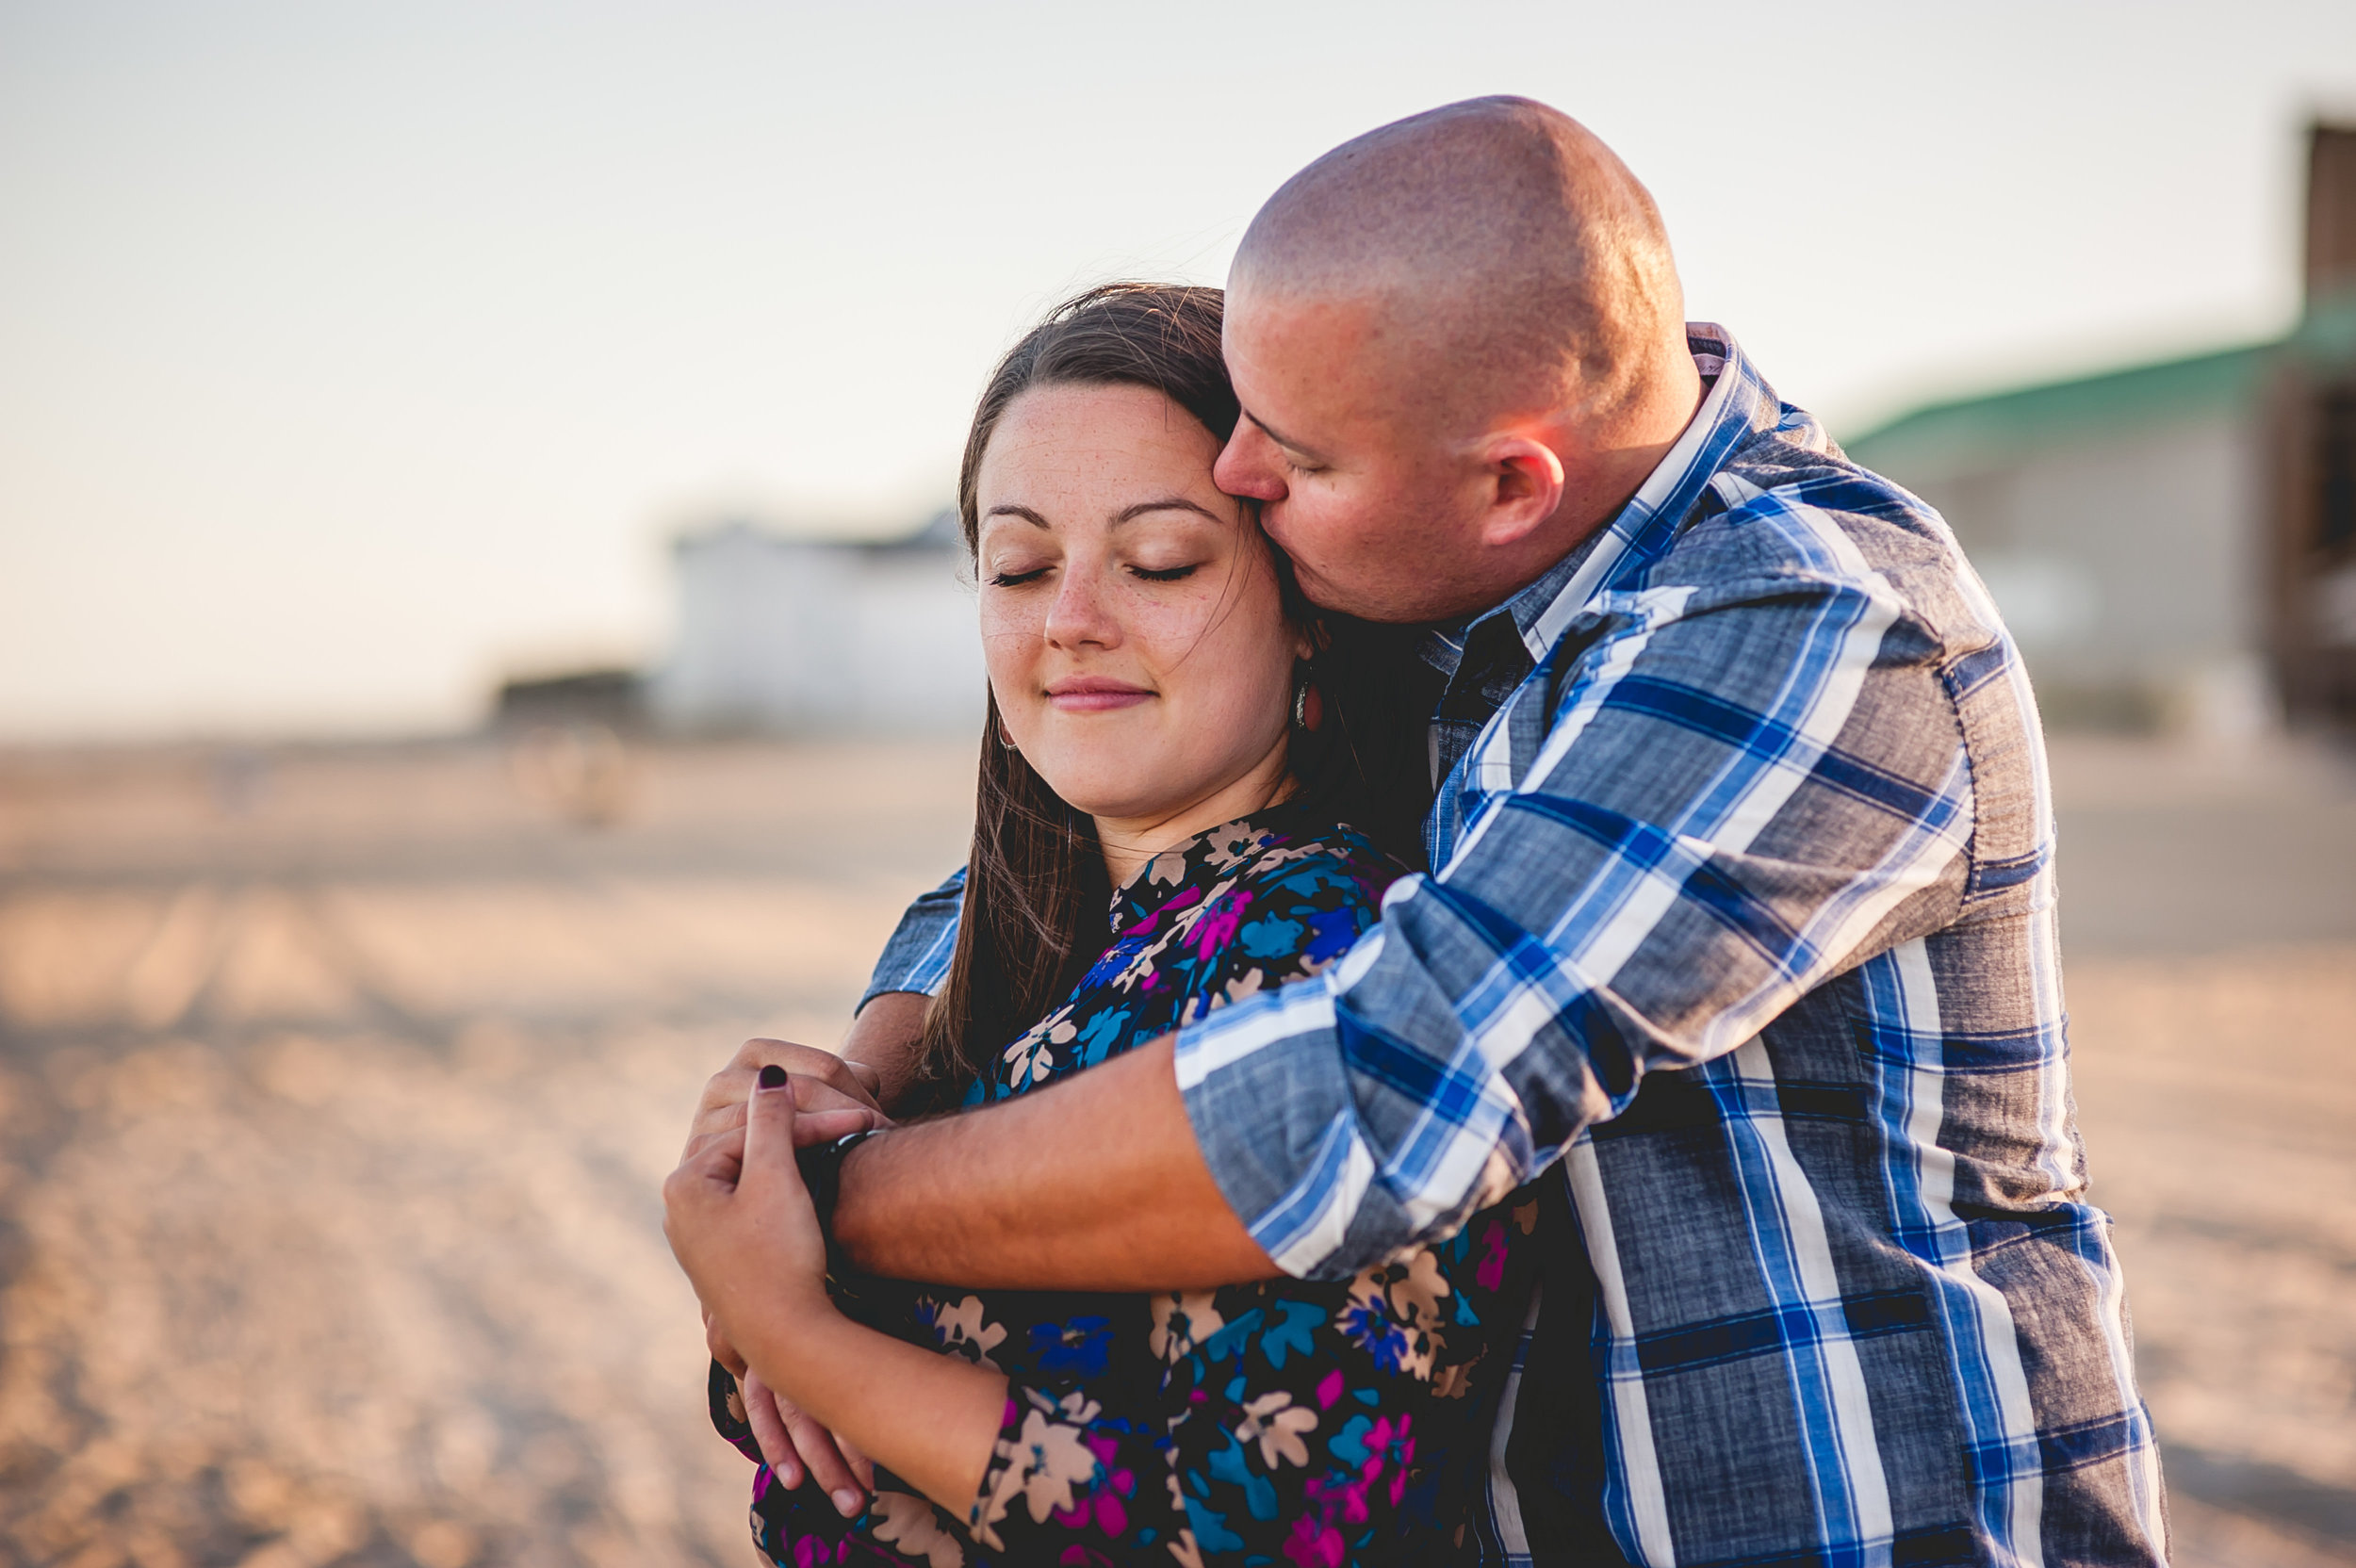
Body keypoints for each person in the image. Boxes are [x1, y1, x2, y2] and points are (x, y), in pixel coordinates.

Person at [680, 98, 2168, 1566]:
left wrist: (812, 1220)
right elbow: (1107, 818)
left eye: (1291, 466)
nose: (1247, 477)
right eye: (1018, 568)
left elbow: (1383, 1086)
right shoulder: (1472, 588)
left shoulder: (1812, 619)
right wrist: (853, 1076)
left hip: (1856, 1522)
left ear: (1512, 481)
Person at [666, 284, 1544, 1567]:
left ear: (1307, 608)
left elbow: (1270, 1531)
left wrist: (801, 1334)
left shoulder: (1324, 953)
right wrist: (760, 1177)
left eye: (1161, 560)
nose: (1071, 618)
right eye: (1021, 566)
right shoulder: (1013, 957)